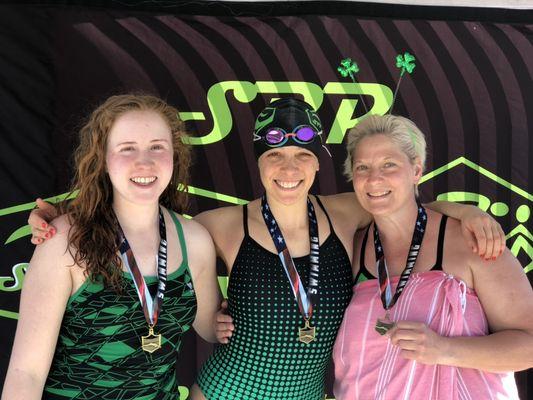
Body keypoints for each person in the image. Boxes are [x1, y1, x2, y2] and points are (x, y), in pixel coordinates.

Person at [27, 98, 505, 400]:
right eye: (274, 154)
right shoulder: (221, 225)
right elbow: (141, 212)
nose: (288, 167)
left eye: (302, 155)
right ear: (259, 162)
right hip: (225, 392)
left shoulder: (347, 211)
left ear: (319, 165)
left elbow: (405, 200)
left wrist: (463, 212)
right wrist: (59, 218)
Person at [1, 94, 221, 400]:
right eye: (127, 148)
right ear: (103, 159)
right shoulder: (65, 240)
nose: (144, 161)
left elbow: (212, 327)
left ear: (175, 155)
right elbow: (27, 373)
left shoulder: (194, 240)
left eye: (157, 147)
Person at [333, 114, 533, 399]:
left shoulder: (471, 242)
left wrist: (446, 350)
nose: (374, 178)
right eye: (362, 167)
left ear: (416, 171)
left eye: (389, 164)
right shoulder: (350, 247)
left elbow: (529, 345)